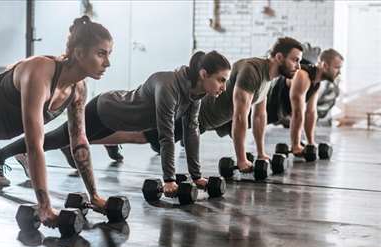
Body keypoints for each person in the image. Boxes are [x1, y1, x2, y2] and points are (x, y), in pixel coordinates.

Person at [0, 51, 231, 197]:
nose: (223, 87)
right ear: (203, 74)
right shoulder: (168, 86)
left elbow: (192, 132)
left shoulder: (195, 95)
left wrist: (197, 176)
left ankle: (24, 154)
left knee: (60, 140)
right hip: (105, 110)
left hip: (121, 122)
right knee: (53, 139)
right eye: (221, 80)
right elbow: (166, 136)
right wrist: (169, 180)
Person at [66, 37, 303, 173]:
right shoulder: (252, 71)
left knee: (142, 137)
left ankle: (89, 141)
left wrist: (261, 153)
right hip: (190, 113)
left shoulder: (268, 79)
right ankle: (75, 143)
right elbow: (241, 118)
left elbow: (258, 117)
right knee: (141, 137)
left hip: (202, 123)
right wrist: (241, 160)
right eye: (295, 60)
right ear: (279, 57)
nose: (298, 66)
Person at [0, 15, 113, 226]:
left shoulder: (78, 89)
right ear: (79, 53)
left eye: (108, 54)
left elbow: (79, 142)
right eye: (101, 54)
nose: (107, 63)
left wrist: (95, 196)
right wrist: (45, 207)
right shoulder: (40, 72)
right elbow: (34, 145)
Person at [266, 48, 344, 155]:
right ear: (325, 65)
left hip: (275, 113)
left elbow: (311, 113)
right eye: (337, 68)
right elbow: (297, 113)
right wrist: (296, 145)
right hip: (261, 108)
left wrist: (310, 143)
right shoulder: (303, 76)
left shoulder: (316, 82)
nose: (339, 72)